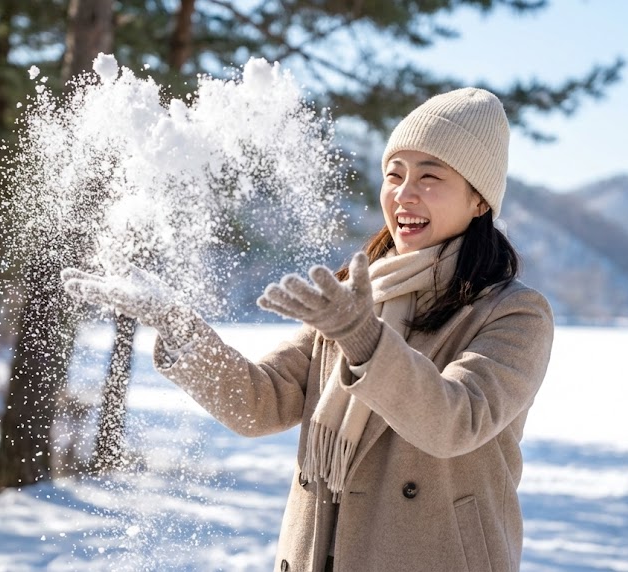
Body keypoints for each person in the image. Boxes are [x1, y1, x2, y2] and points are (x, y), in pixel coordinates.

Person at [62, 87, 554, 572]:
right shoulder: (355, 296)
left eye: (430, 176)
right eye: (394, 174)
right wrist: (180, 328)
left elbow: (456, 422)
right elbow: (261, 402)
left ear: (478, 199)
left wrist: (364, 340)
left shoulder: (514, 313)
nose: (404, 193)